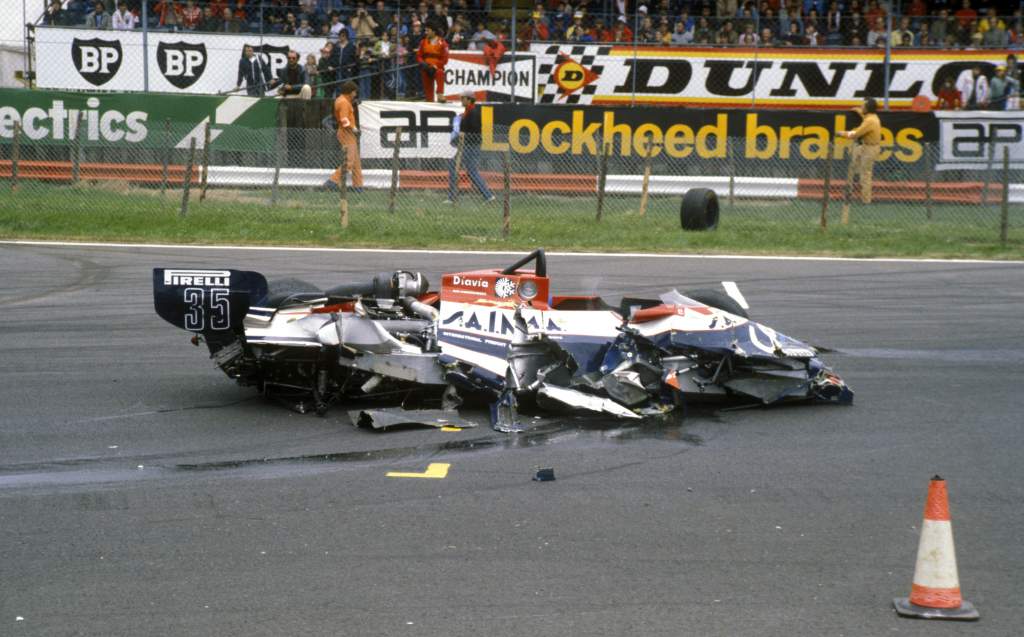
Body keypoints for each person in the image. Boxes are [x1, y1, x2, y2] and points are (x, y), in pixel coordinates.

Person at [445, 91, 494, 204]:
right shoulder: (467, 112)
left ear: (469, 99)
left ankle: (452, 197)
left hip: (471, 146)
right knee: (470, 171)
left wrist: (463, 136)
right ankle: (488, 195)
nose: (461, 101)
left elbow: (475, 131)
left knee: (455, 166)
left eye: (463, 99)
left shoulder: (473, 113)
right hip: (467, 145)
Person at [839, 98, 882, 204]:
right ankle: (848, 193)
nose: (861, 107)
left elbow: (855, 134)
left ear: (868, 109)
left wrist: (841, 133)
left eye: (863, 106)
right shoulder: (871, 117)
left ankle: (866, 201)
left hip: (870, 149)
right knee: (852, 166)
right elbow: (864, 116)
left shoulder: (870, 121)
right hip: (864, 146)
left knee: (865, 174)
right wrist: (858, 110)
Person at [326, 82, 363, 192]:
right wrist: (353, 128)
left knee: (356, 161)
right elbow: (344, 119)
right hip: (346, 132)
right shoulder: (343, 102)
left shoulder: (342, 100)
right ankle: (332, 181)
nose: (355, 94)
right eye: (355, 92)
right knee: (350, 161)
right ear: (351, 92)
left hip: (347, 132)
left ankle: (358, 186)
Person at [417, 24, 449, 102]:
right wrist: (423, 63)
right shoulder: (423, 42)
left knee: (440, 73)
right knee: (428, 92)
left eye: (428, 30)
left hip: (437, 68)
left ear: (434, 32)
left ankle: (440, 94)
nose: (426, 32)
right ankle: (429, 100)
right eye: (425, 30)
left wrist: (435, 65)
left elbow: (445, 59)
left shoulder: (443, 43)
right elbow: (419, 56)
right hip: (426, 67)